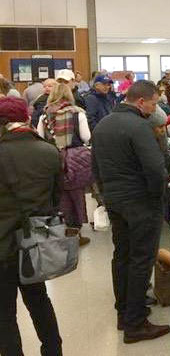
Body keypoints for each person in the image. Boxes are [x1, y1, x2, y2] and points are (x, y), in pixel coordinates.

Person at [91, 80, 170, 343]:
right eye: (154, 103)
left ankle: (123, 313)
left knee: (122, 256)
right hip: (141, 202)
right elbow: (155, 169)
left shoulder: (102, 125)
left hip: (114, 200)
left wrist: (105, 195)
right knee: (141, 259)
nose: (154, 108)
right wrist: (156, 197)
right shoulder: (139, 127)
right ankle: (136, 323)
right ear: (141, 102)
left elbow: (96, 168)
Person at [0, 97, 64, 356]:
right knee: (40, 302)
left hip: (2, 246)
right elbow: (55, 198)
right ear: (26, 118)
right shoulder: (49, 151)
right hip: (35, 243)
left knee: (4, 313)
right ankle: (53, 351)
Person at [37, 83, 92, 246]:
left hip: (52, 158)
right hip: (75, 160)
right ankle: (76, 231)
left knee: (58, 194)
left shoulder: (44, 115)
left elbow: (40, 137)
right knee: (76, 193)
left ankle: (60, 229)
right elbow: (86, 136)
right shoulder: (78, 114)